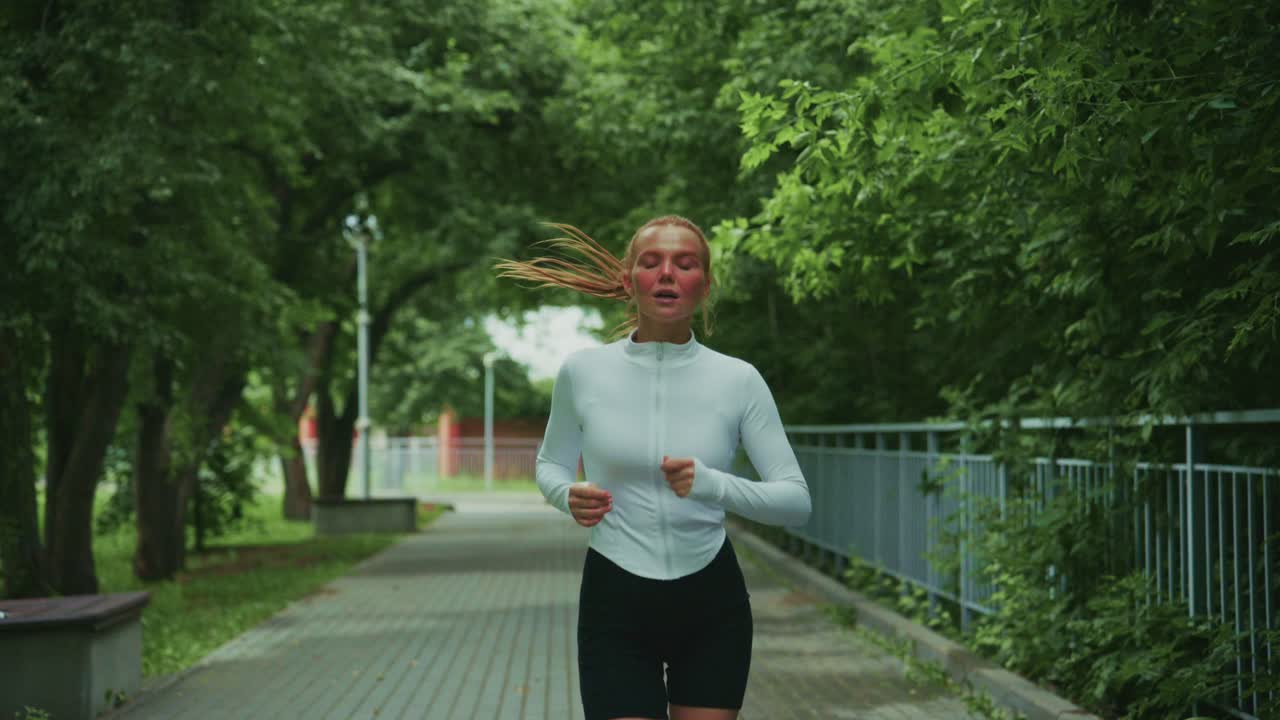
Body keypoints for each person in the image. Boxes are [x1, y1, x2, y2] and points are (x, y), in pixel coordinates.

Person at [495, 216, 811, 720]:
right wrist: (566, 495)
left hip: (710, 601)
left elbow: (795, 501)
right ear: (629, 281)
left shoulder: (739, 380)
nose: (667, 273)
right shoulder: (583, 372)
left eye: (684, 264)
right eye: (651, 262)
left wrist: (712, 485)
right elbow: (551, 463)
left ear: (704, 285)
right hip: (616, 598)